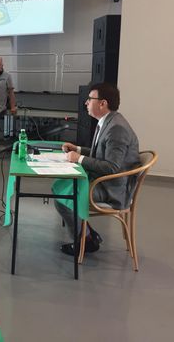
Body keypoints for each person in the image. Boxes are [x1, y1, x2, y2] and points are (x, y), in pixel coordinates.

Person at [55, 82, 140, 256]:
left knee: (63, 197)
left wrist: (79, 158)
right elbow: (101, 154)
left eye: (90, 99)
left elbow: (112, 167)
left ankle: (85, 241)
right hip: (104, 183)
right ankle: (88, 234)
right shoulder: (109, 121)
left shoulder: (116, 128)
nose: (86, 103)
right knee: (61, 187)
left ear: (103, 103)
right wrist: (78, 149)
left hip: (112, 190)